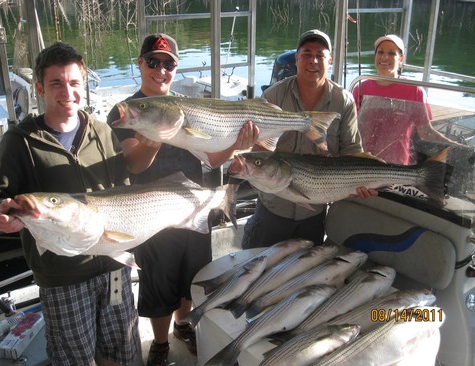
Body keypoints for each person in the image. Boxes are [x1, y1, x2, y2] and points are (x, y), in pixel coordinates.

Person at [106, 33, 258, 366]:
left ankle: (181, 325)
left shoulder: (186, 106)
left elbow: (213, 159)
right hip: (150, 211)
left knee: (192, 275)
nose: (161, 70)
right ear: (140, 64)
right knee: (157, 279)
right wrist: (156, 135)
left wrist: (236, 144)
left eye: (169, 64)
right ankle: (160, 342)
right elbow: (134, 163)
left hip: (193, 206)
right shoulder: (128, 110)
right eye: (153, 62)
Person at [0, 42, 139, 365]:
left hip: (113, 266)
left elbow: (123, 193)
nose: (67, 92)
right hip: (63, 279)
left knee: (122, 353)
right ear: (39, 88)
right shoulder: (19, 142)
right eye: (56, 83)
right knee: (74, 359)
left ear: (83, 85)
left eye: (73, 82)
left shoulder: (102, 132)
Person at [241, 29, 376, 250]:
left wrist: (364, 181)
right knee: (258, 270)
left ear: (329, 61)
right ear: (296, 58)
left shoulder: (344, 102)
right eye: (306, 54)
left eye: (320, 55)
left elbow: (351, 150)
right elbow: (259, 150)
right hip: (272, 207)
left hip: (314, 212)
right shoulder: (273, 97)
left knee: (303, 275)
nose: (313, 61)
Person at [352, 34, 460, 165]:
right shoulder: (360, 88)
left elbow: (425, 131)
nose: (384, 57)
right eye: (380, 52)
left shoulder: (414, 90)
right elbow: (351, 128)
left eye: (391, 53)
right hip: (363, 163)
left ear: (401, 59)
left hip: (398, 165)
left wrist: (455, 146)